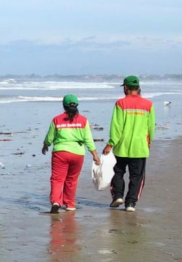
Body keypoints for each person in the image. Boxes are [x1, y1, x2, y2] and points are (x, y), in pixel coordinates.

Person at [103, 75, 155, 212]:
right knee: (137, 177)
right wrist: (149, 142)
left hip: (121, 146)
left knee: (117, 172)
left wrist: (110, 143)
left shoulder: (121, 103)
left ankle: (118, 196)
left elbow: (117, 126)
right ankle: (130, 203)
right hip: (140, 147)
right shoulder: (148, 104)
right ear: (138, 88)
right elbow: (151, 127)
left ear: (125, 88)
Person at [43, 95, 101, 214]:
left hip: (60, 152)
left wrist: (45, 145)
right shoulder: (83, 120)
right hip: (77, 153)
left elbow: (50, 137)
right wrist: (95, 155)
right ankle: (69, 204)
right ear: (77, 105)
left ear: (63, 105)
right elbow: (88, 139)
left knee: (57, 179)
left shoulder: (57, 120)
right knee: (72, 179)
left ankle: (56, 202)